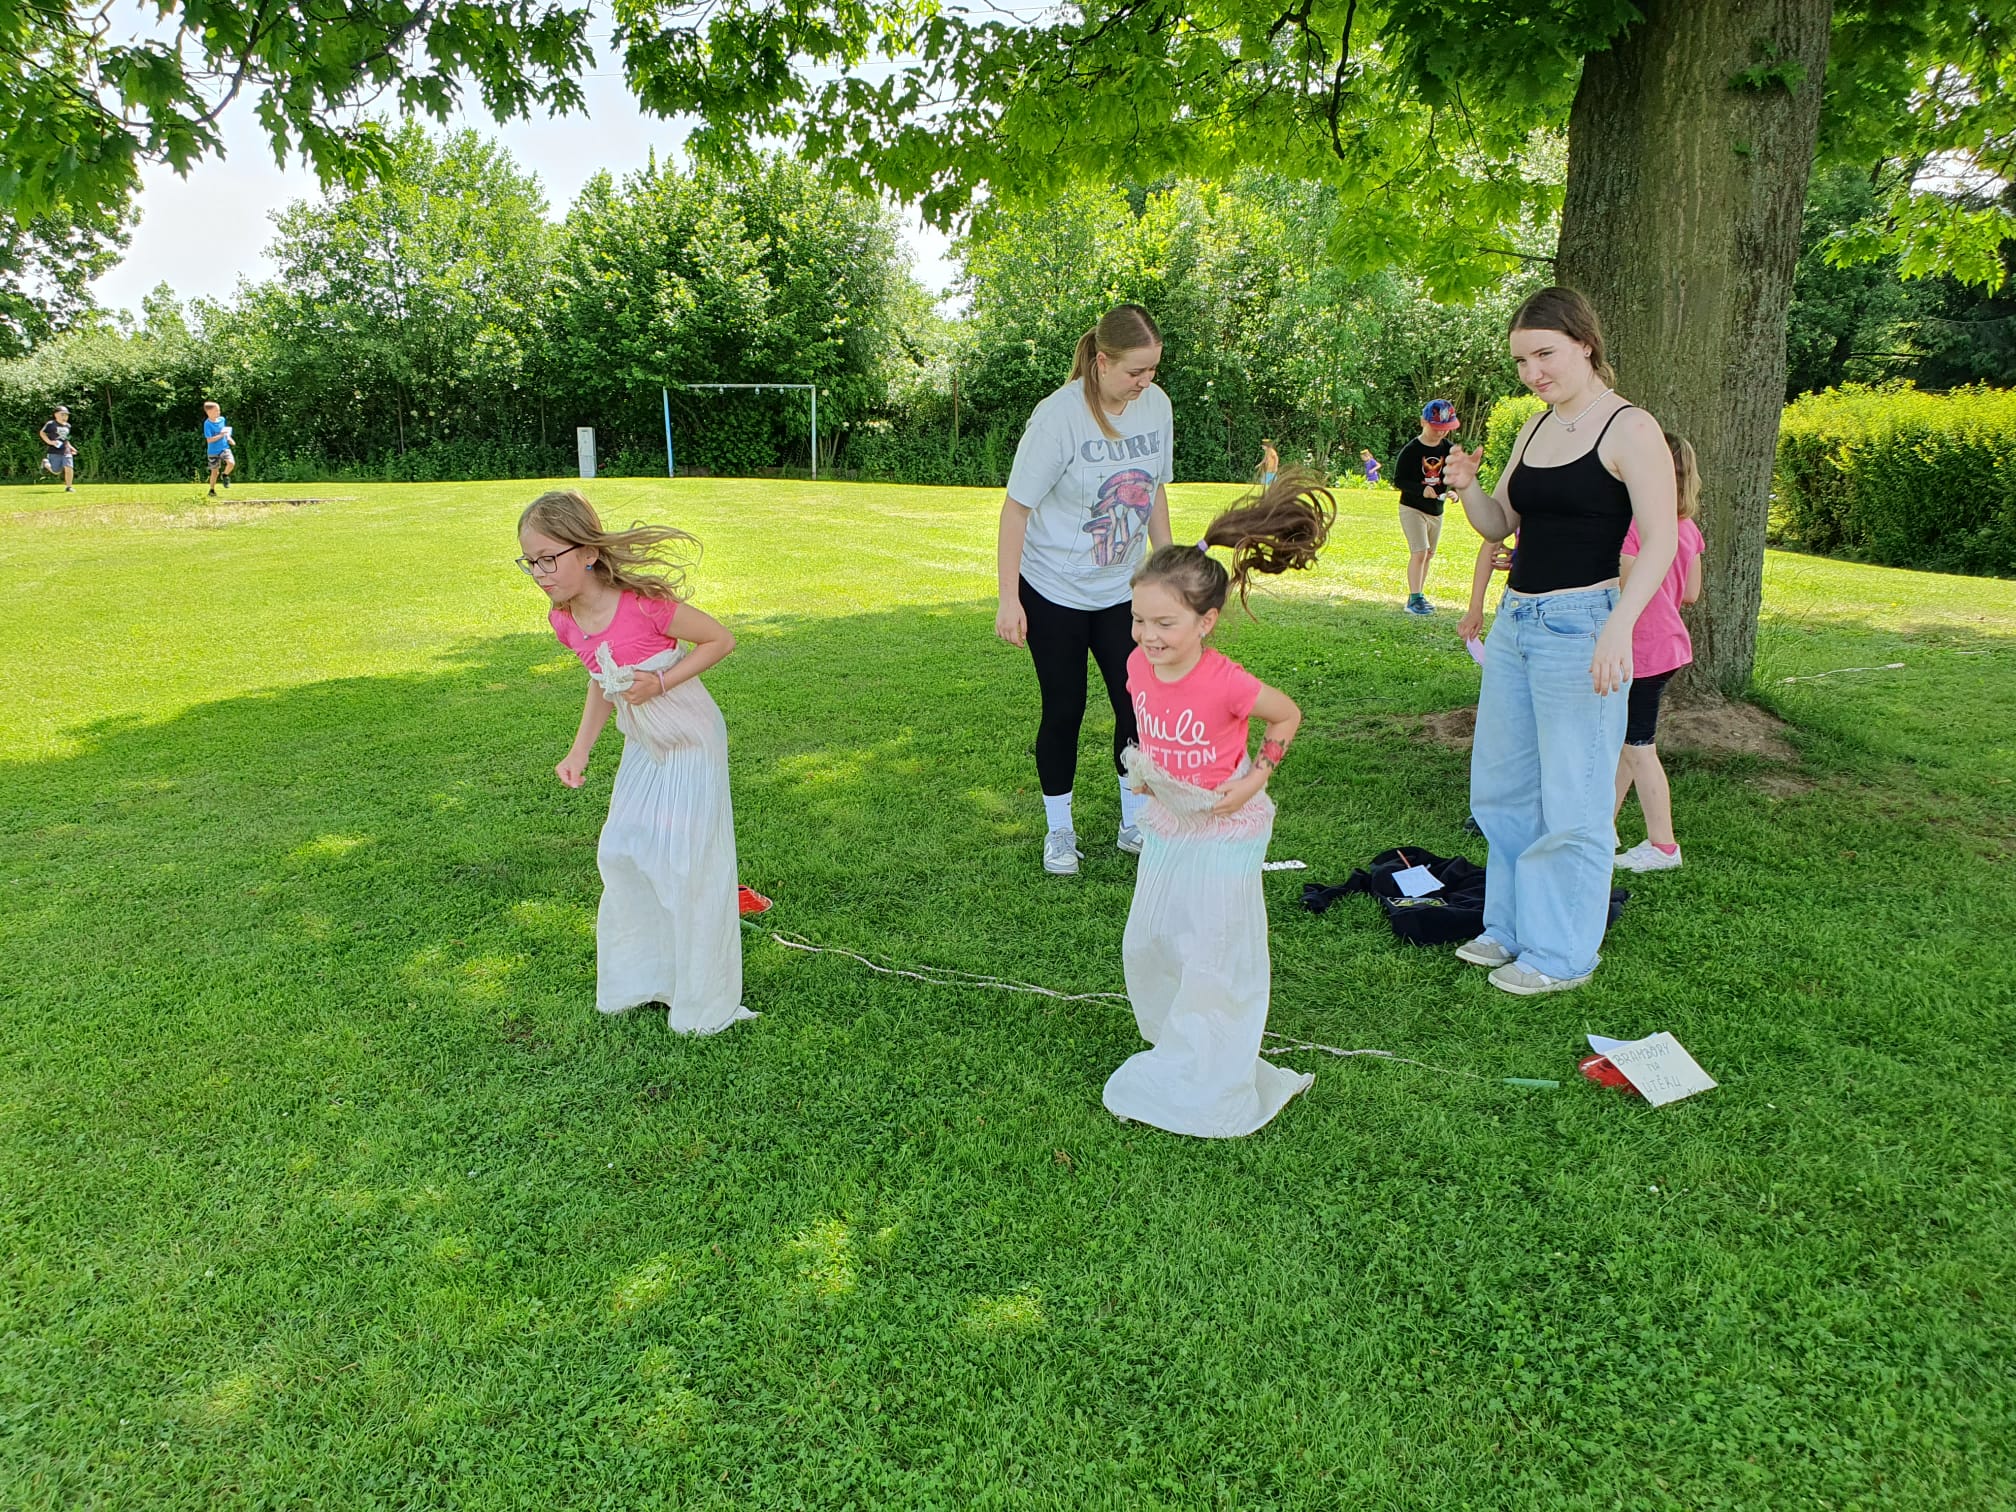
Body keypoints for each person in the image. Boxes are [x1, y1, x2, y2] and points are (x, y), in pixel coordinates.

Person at [1439, 286, 1677, 995]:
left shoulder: (1631, 428)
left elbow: (1661, 542)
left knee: (1574, 799)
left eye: (1544, 354)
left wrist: (1618, 627)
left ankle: (1563, 954)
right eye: (1521, 361)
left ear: (1585, 344)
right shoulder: (1534, 429)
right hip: (1516, 623)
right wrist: (1467, 487)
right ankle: (1510, 927)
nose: (1532, 372)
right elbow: (1499, 523)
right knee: (1504, 788)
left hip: (1584, 625)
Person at [1101, 475, 1333, 1138]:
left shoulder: (1225, 680)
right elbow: (1152, 729)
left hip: (1226, 827)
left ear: (1205, 622)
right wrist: (1150, 775)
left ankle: (1217, 1061)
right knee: (1154, 936)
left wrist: (1257, 777)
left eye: (1164, 623)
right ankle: (1182, 1042)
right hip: (1171, 823)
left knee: (1214, 947)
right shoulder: (1137, 666)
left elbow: (1287, 715)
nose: (1147, 635)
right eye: (1138, 619)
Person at [519, 489, 753, 1035]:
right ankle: (645, 978)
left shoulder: (643, 606)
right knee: (622, 851)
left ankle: (702, 1000)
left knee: (687, 866)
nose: (539, 574)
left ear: (587, 552)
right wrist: (579, 750)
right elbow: (601, 681)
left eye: (548, 559)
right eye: (529, 562)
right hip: (644, 743)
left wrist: (661, 681)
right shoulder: (565, 620)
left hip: (691, 738)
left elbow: (720, 639)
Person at [995, 303, 1175, 875]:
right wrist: (1008, 598)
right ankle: (1060, 831)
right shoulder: (1059, 417)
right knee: (1065, 707)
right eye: (1134, 371)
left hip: (1122, 591)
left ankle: (1133, 823)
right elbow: (1015, 510)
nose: (1145, 382)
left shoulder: (1157, 406)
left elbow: (1155, 489)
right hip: (1053, 590)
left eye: (1152, 369)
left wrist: (1165, 565)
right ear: (1101, 362)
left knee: (1137, 705)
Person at [1614, 432, 1706, 873]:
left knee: (1639, 748)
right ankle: (1602, 825)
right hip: (1667, 647)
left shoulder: (1636, 527)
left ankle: (1663, 846)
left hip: (1643, 651)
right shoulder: (1686, 528)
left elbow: (1624, 587)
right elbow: (1690, 593)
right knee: (1626, 745)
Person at [1393, 400, 1460, 615]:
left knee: (1429, 554)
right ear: (1423, 422)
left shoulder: (1449, 450)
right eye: (1436, 427)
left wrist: (1454, 491)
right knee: (1420, 552)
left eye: (1445, 429)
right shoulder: (1411, 450)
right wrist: (1421, 490)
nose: (1440, 433)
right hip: (1412, 508)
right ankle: (1414, 599)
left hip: (1436, 511)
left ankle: (1419, 594)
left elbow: (1456, 476)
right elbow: (1399, 480)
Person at [38, 407, 75, 491]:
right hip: (54, 451)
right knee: (56, 471)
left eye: (66, 415)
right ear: (56, 414)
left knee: (69, 467)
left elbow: (66, 439)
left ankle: (69, 487)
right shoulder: (51, 424)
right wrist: (49, 442)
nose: (65, 417)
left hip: (66, 450)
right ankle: (45, 463)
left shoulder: (68, 426)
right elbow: (42, 433)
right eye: (62, 414)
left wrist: (71, 447)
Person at [202, 402, 236, 494]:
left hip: (224, 447)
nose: (219, 412)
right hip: (213, 451)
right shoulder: (207, 424)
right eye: (216, 410)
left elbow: (225, 432)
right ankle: (212, 490)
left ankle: (225, 475)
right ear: (209, 412)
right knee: (215, 472)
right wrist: (221, 435)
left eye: (219, 410)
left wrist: (229, 438)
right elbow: (209, 440)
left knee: (231, 463)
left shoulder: (222, 419)